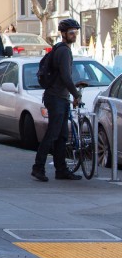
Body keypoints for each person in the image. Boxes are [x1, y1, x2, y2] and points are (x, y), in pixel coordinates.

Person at [32, 18, 84, 182]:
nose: (74, 35)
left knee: (62, 135)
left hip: (59, 97)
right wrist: (76, 94)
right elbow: (66, 77)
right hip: (56, 98)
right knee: (53, 134)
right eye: (71, 32)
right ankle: (38, 168)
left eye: (75, 32)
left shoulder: (61, 50)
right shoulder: (64, 51)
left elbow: (64, 78)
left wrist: (71, 93)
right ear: (63, 34)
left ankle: (61, 169)